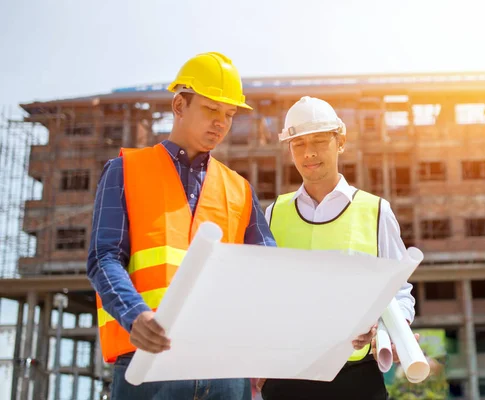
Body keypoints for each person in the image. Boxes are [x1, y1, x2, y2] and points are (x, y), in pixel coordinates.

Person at [87, 52, 276, 400]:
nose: (221, 122)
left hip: (223, 367)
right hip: (147, 361)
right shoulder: (125, 170)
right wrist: (135, 315)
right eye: (211, 109)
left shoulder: (239, 189)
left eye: (230, 115)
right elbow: (104, 258)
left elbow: (268, 272)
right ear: (179, 105)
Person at [258, 96, 416, 400]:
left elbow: (398, 291)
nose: (309, 153)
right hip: (288, 376)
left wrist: (396, 330)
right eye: (299, 144)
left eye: (319, 141)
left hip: (356, 378)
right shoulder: (274, 213)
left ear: (340, 141)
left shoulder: (376, 211)